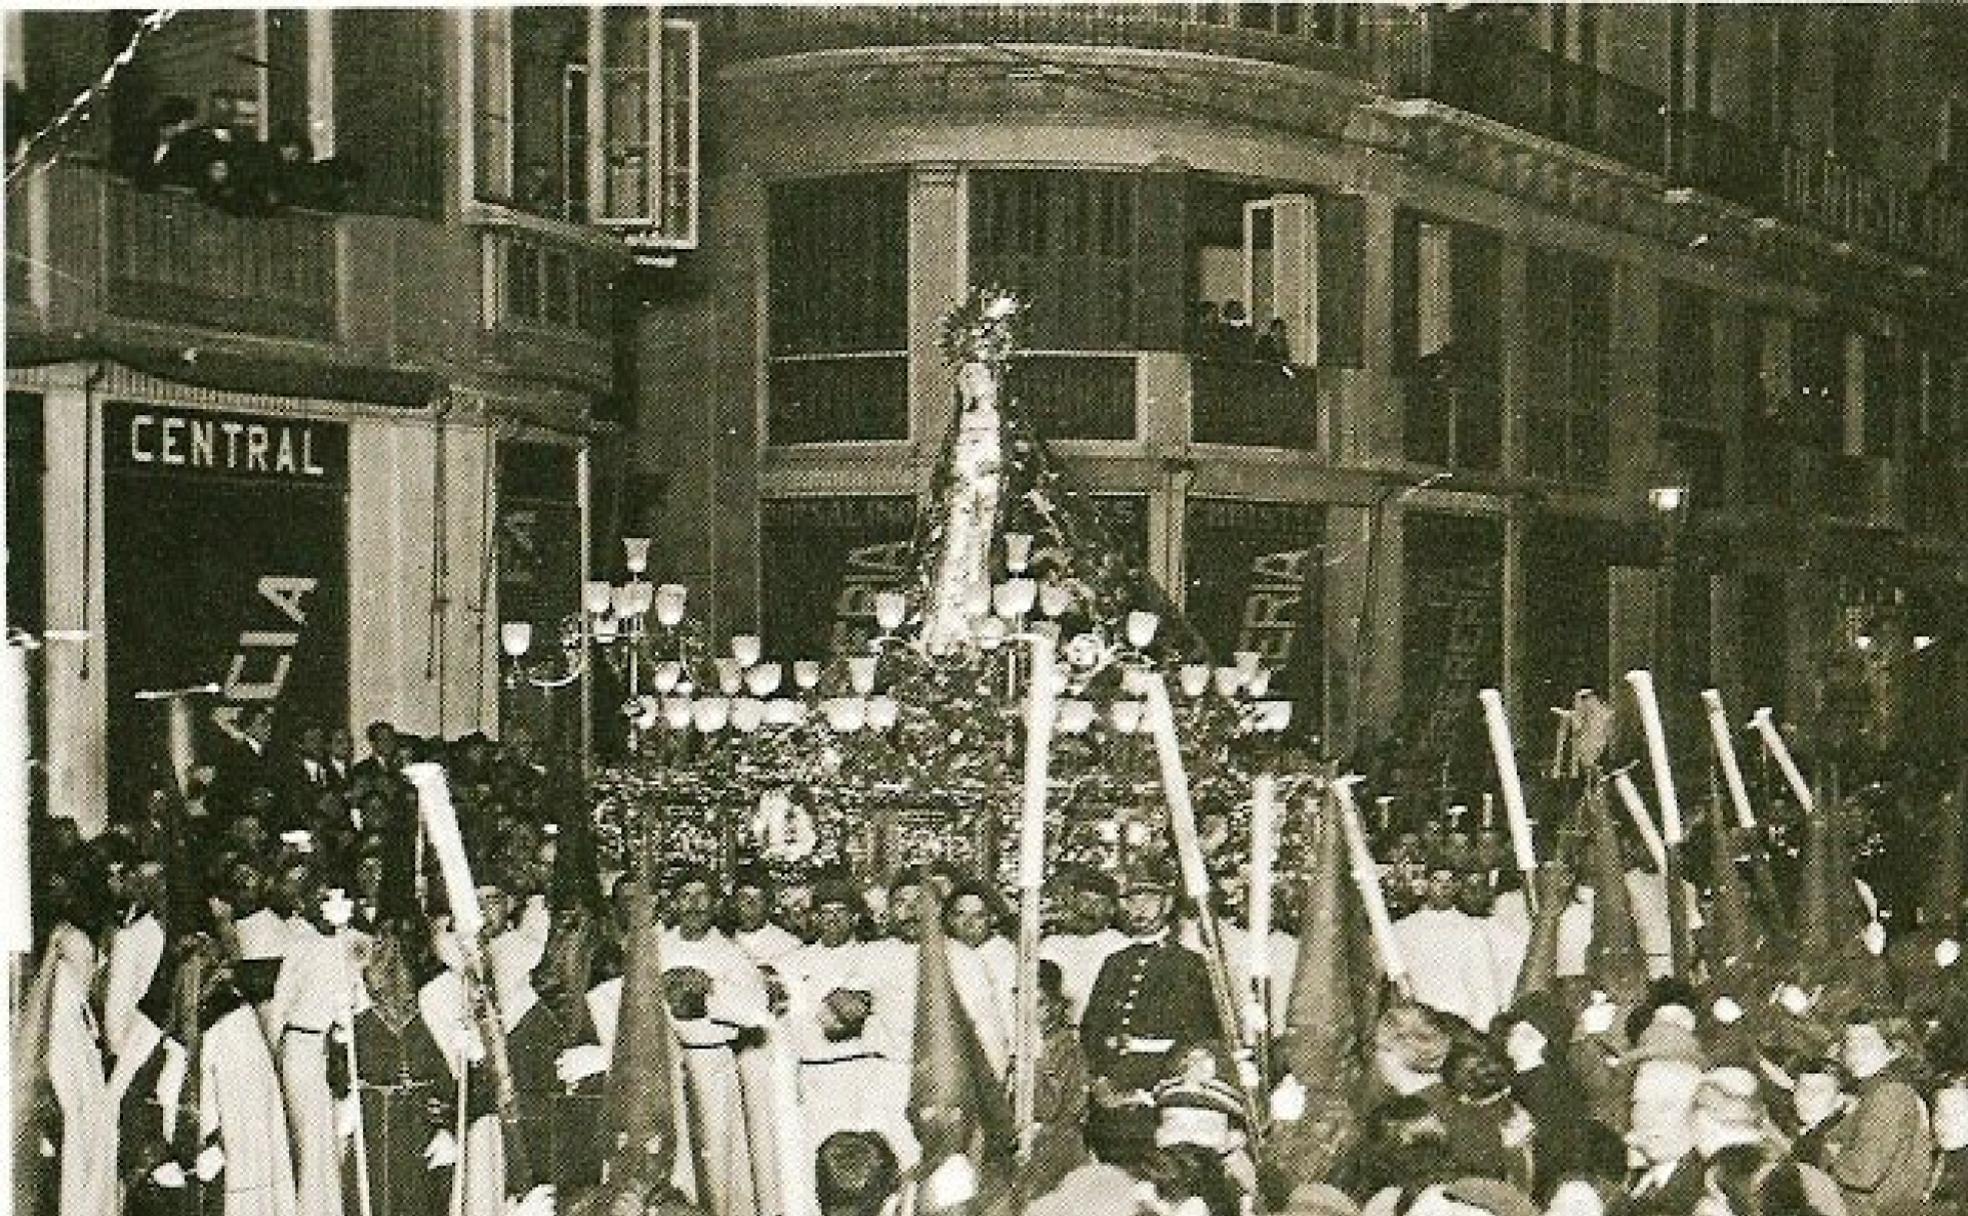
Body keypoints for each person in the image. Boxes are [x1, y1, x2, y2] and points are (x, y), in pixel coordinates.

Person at [1080, 856, 1222, 1166]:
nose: (1139, 908)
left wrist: (1153, 1091)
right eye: (1132, 900)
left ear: (1167, 904)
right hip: (1111, 1093)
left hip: (1162, 1094)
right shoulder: (1114, 963)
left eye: (1149, 899)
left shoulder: (1189, 965)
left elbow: (1199, 1040)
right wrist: (1101, 1080)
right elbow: (1091, 1029)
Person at [1824, 1010, 1932, 1216]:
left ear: (1895, 1049)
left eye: (1866, 1043)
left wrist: (1830, 1155)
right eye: (1849, 1043)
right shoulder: (1878, 1092)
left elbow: (1864, 1171)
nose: (1854, 1051)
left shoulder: (1890, 1093)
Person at [1040, 866, 1127, 1025]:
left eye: (1099, 902)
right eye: (1084, 900)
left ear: (1111, 910)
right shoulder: (1051, 946)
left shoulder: (1122, 945)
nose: (1089, 909)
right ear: (1073, 903)